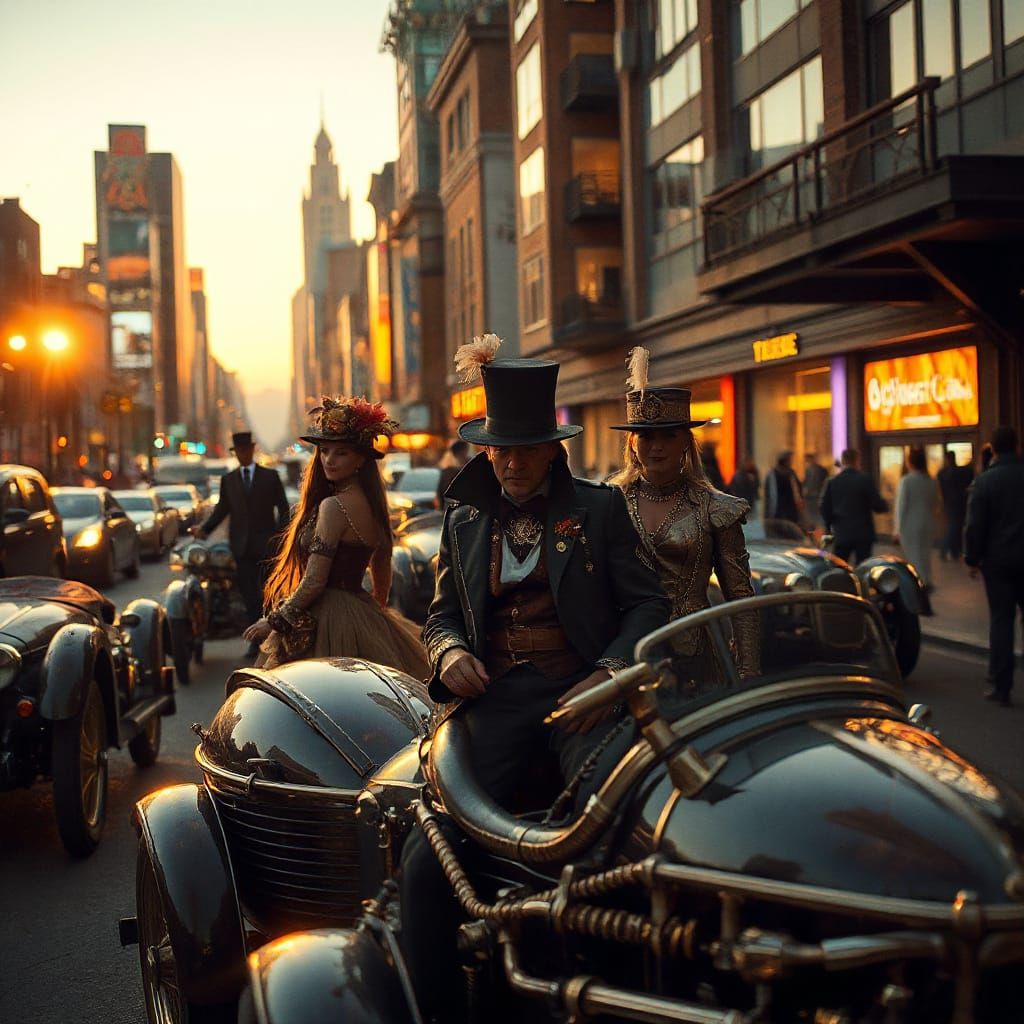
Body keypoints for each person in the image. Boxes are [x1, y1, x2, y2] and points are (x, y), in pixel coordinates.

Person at [402, 338, 669, 1019]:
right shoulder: (461, 518)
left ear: (553, 447)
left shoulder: (600, 508)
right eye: (500, 448)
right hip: (493, 699)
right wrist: (450, 654)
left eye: (525, 448)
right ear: (485, 450)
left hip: (586, 694)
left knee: (619, 835)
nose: (512, 462)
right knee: (428, 850)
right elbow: (438, 617)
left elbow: (647, 602)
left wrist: (611, 673)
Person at [241, 398, 430, 677]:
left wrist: (275, 621)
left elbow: (315, 580)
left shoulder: (334, 506)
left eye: (341, 452)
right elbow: (382, 574)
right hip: (360, 610)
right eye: (324, 451)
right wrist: (371, 616)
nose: (329, 459)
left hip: (328, 617)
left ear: (360, 459)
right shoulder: (373, 506)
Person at [609, 361, 757, 683]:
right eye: (646, 437)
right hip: (624, 654)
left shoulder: (716, 509)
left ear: (686, 443)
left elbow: (741, 597)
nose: (657, 446)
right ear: (633, 443)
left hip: (692, 657)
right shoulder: (609, 501)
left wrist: (747, 672)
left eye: (668, 436)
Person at [192, 431, 290, 657]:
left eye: (246, 450)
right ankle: (256, 640)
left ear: (252, 450)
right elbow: (222, 510)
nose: (242, 455)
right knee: (248, 595)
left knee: (267, 592)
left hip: (267, 547)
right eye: (238, 451)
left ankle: (273, 635)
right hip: (241, 547)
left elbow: (283, 508)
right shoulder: (229, 480)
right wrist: (204, 530)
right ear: (235, 453)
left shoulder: (270, 477)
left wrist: (280, 536)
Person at [964, 425, 1024, 707]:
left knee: (1002, 621)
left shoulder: (985, 482)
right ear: (1017, 446)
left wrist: (972, 559)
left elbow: (975, 526)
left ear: (993, 448)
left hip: (997, 561)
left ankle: (1002, 686)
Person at [819, 448, 888, 565]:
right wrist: (885, 506)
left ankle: (842, 583)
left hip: (842, 532)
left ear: (843, 461)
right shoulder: (865, 479)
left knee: (839, 566)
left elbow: (825, 508)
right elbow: (878, 505)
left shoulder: (832, 482)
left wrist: (828, 526)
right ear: (857, 460)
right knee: (863, 566)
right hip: (863, 533)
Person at [894, 447, 939, 589]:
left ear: (910, 462)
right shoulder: (931, 481)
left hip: (910, 524)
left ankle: (920, 583)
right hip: (928, 522)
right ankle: (926, 580)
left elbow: (901, 506)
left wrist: (897, 529)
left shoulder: (906, 481)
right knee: (925, 554)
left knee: (914, 555)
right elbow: (935, 502)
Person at [937, 449, 972, 561]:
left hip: (949, 503)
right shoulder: (961, 471)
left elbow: (942, 489)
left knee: (954, 526)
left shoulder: (942, 473)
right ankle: (949, 549)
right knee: (955, 527)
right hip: (959, 503)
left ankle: (952, 551)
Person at [764, 450, 803, 525]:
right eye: (789, 460)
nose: (791, 462)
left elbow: (798, 490)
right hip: (777, 510)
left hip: (791, 510)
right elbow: (768, 495)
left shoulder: (791, 473)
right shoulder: (772, 475)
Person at [434, 439, 469, 509]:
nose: (466, 455)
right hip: (454, 507)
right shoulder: (450, 471)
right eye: (464, 452)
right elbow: (443, 491)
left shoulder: (467, 465)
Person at [728, 455, 761, 519]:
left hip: (751, 505)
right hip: (742, 505)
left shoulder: (754, 474)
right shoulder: (738, 476)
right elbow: (737, 490)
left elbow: (756, 489)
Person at [802, 452, 829, 531]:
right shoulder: (811, 470)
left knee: (815, 516)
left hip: (815, 496)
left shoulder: (819, 470)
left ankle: (816, 530)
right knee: (814, 516)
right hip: (813, 497)